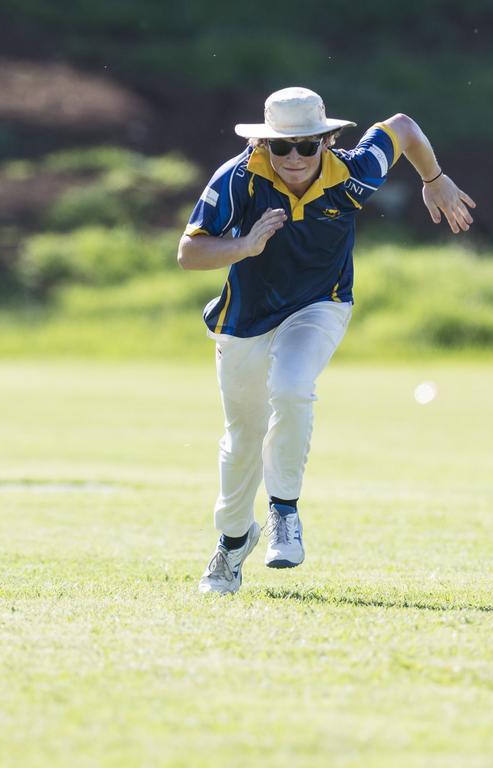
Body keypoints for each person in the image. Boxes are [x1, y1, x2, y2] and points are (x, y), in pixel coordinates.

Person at [178, 87, 476, 594]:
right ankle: (232, 545)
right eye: (281, 147)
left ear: (328, 141)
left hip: (321, 305)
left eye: (307, 146)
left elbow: (402, 125)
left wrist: (436, 179)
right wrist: (246, 246)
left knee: (293, 388)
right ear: (264, 145)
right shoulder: (239, 178)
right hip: (245, 319)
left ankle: (284, 513)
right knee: (242, 440)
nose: (294, 158)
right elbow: (190, 252)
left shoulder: (355, 171)